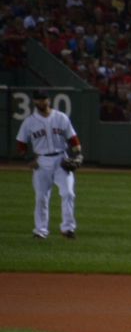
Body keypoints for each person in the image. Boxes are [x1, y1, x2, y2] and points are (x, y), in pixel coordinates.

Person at [14, 91, 82, 240]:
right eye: (38, 100)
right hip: (41, 162)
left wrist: (77, 154)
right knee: (41, 198)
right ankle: (40, 231)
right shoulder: (29, 122)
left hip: (61, 160)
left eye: (44, 99)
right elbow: (21, 145)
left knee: (68, 193)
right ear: (34, 102)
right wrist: (28, 159)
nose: (42, 102)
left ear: (48, 100)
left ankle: (68, 229)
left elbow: (73, 139)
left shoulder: (61, 117)